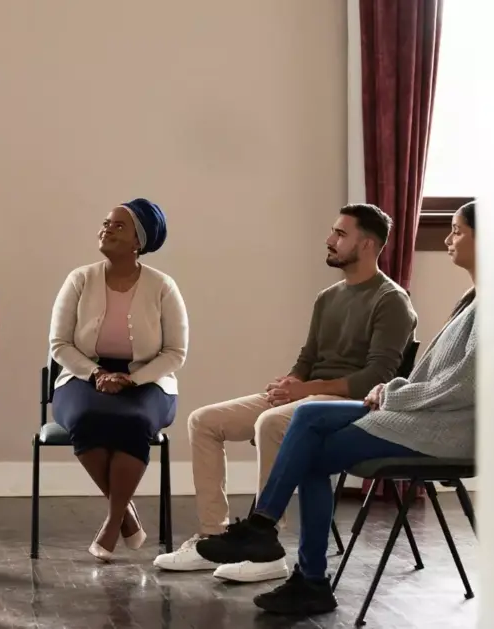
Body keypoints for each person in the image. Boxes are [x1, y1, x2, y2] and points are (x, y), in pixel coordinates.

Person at [196, 201, 478, 617]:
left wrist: (391, 392)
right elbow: (430, 379)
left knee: (307, 437)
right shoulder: (471, 299)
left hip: (442, 429)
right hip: (416, 415)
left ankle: (284, 552)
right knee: (307, 423)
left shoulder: (490, 306)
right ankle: (283, 553)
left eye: (456, 231)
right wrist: (299, 386)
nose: (448, 238)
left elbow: (463, 385)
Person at [154, 203, 418, 582]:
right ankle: (214, 538)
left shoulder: (390, 301)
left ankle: (266, 548)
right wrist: (289, 384)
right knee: (205, 421)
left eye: (341, 234)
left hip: (348, 404)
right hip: (308, 393)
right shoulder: (328, 297)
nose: (330, 240)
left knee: (270, 423)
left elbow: (377, 376)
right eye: (333, 231)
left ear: (368, 244)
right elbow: (308, 358)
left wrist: (306, 389)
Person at [49, 198, 189, 561]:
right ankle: (125, 514)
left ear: (138, 242)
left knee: (135, 421)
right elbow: (59, 344)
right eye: (106, 223)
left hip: (149, 380)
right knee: (85, 420)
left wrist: (133, 379)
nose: (107, 229)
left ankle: (112, 524)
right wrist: (96, 373)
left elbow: (175, 352)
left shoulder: (163, 286)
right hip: (82, 373)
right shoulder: (80, 279)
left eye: (119, 226)